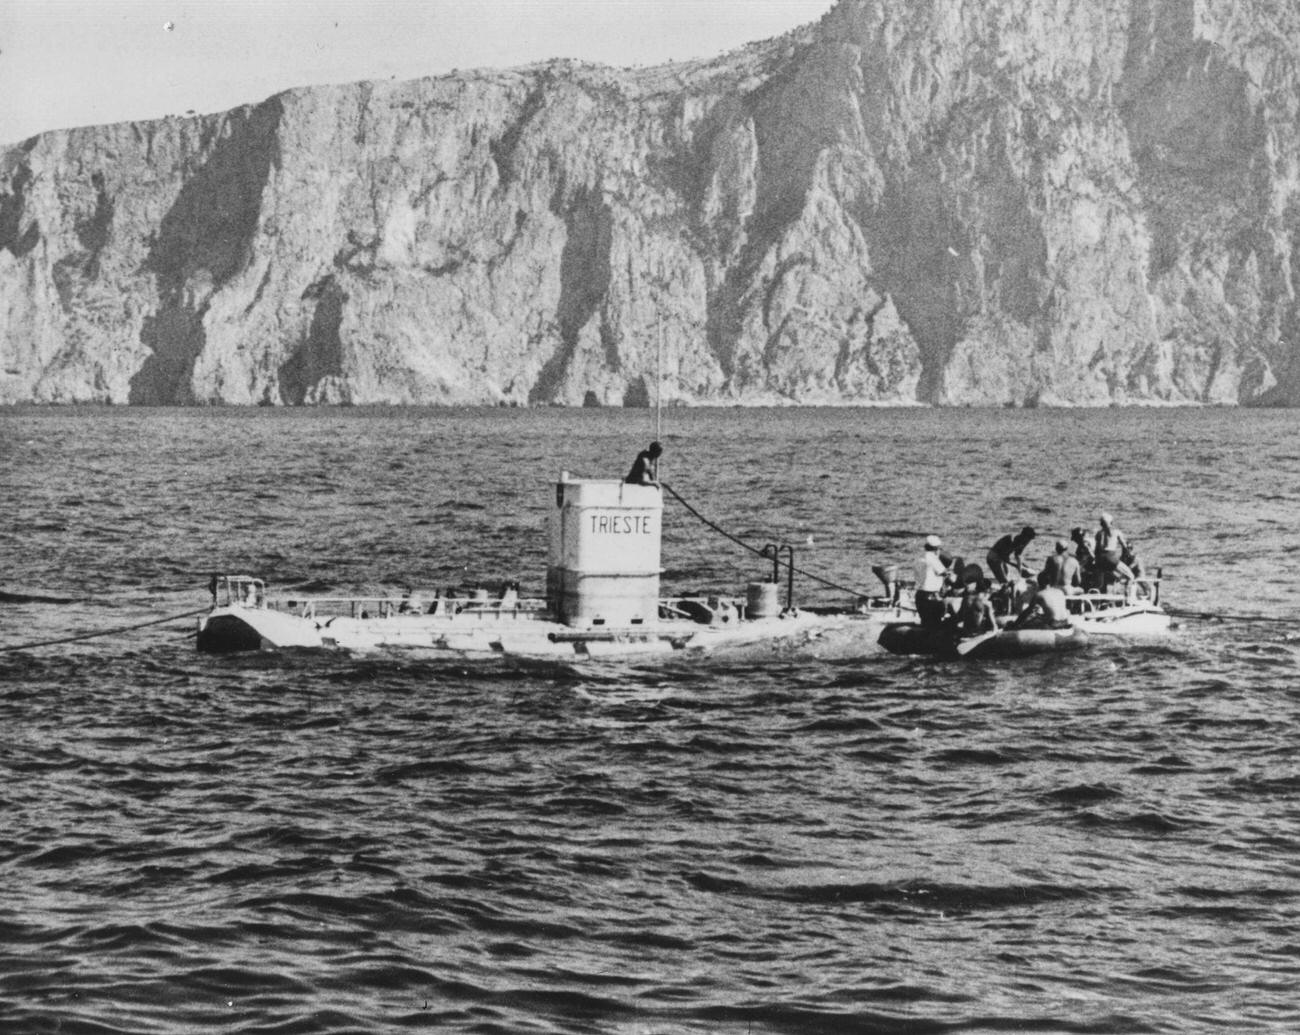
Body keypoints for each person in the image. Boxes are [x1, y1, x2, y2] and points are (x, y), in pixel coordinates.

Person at [914, 534, 950, 629]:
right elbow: (945, 573)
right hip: (932, 597)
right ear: (936, 549)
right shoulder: (933, 559)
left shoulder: (919, 558)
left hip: (920, 595)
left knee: (925, 623)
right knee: (935, 624)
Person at [1094, 512, 1134, 589]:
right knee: (1131, 576)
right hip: (1111, 557)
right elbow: (1125, 547)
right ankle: (1128, 598)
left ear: (1101, 524)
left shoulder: (1098, 534)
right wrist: (1127, 556)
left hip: (1100, 560)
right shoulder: (1116, 532)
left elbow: (1096, 550)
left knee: (1103, 581)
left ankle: (1099, 597)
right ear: (1112, 522)